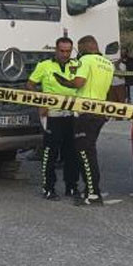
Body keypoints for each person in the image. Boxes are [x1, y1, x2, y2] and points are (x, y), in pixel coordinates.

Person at [56, 35, 114, 206]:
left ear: (81, 48)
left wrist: (64, 82)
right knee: (89, 151)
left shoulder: (86, 61)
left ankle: (93, 193)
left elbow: (79, 82)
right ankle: (89, 190)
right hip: (99, 112)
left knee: (85, 153)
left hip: (85, 112)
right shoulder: (108, 64)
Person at [27, 37, 80, 201]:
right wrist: (40, 101)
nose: (65, 54)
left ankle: (71, 187)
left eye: (68, 51)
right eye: (62, 51)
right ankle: (48, 188)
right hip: (52, 115)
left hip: (72, 114)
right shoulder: (44, 66)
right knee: (50, 152)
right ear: (56, 50)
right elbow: (30, 84)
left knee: (72, 153)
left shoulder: (76, 65)